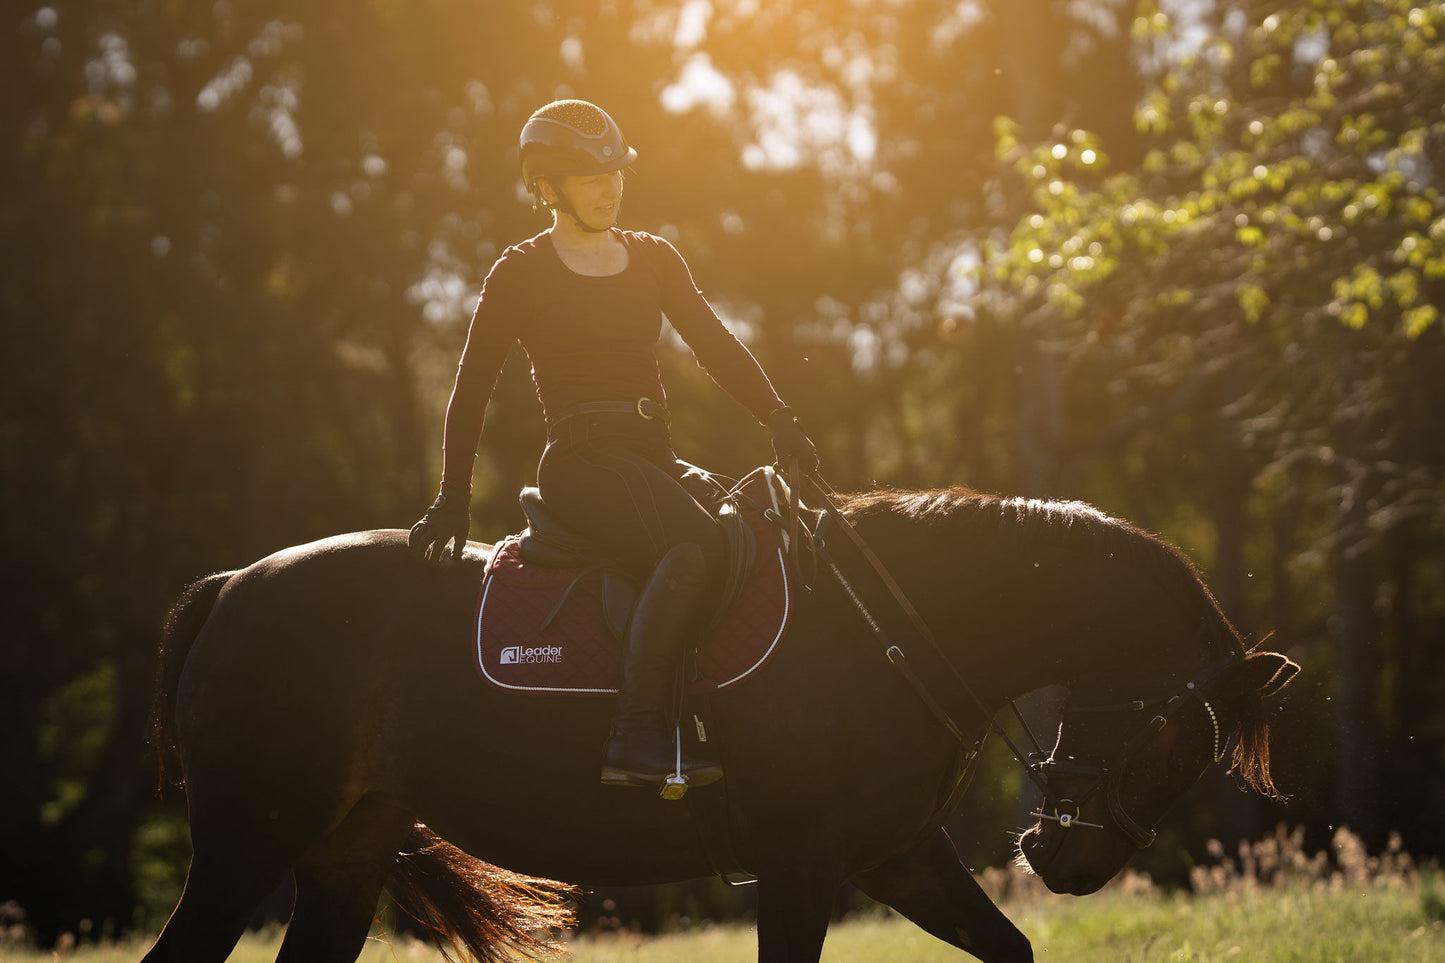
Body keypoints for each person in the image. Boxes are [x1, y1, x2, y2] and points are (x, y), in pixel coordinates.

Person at [409, 99, 818, 794]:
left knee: (749, 529)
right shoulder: (520, 271)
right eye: (590, 175)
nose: (611, 185)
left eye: (615, 172)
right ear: (545, 186)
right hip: (580, 459)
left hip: (649, 455)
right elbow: (470, 389)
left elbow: (714, 344)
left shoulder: (653, 259)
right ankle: (635, 734)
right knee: (693, 544)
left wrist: (778, 415)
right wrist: (453, 496)